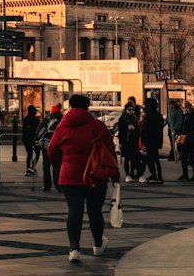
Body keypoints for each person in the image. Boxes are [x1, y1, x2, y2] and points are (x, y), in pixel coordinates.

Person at [46, 94, 114, 261]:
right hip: (95, 175)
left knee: (74, 211)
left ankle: (74, 249)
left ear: (70, 106)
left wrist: (59, 165)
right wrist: (112, 172)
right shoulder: (97, 126)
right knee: (95, 211)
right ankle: (98, 245)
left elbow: (52, 150)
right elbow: (110, 150)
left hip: (70, 175)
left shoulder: (62, 126)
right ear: (88, 107)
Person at [36, 103, 63, 191]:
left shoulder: (46, 121)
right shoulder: (63, 120)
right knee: (57, 166)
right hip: (58, 146)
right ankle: (58, 185)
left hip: (46, 146)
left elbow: (38, 133)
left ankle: (47, 185)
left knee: (46, 166)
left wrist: (36, 142)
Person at [140, 99, 165, 184]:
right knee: (156, 158)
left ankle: (154, 175)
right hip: (157, 139)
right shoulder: (159, 116)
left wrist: (143, 141)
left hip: (149, 140)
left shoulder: (147, 116)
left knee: (150, 158)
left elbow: (143, 129)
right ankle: (159, 176)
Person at [116, 102, 142, 182]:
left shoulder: (135, 118)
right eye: (129, 110)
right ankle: (127, 175)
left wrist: (135, 129)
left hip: (134, 141)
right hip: (126, 141)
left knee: (135, 158)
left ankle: (134, 173)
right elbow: (121, 131)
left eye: (132, 110)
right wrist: (120, 142)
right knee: (127, 158)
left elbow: (138, 130)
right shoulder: (122, 119)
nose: (131, 111)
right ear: (126, 110)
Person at [178, 104, 194, 182]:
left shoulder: (192, 116)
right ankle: (188, 174)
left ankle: (193, 175)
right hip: (189, 138)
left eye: (185, 108)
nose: (184, 109)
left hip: (190, 139)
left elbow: (192, 128)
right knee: (186, 157)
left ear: (188, 108)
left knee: (190, 157)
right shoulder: (189, 116)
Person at [21, 105, 40, 175]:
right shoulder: (36, 121)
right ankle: (32, 167)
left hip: (26, 139)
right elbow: (37, 131)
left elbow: (24, 131)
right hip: (34, 139)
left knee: (29, 154)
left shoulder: (25, 120)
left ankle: (29, 168)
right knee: (37, 153)